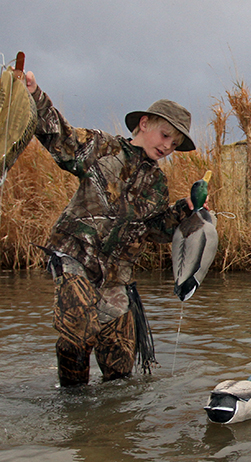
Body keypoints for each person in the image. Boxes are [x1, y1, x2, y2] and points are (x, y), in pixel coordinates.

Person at [20, 70, 201, 386]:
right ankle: (73, 407)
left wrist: (184, 209)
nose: (168, 146)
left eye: (175, 142)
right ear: (144, 124)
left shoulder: (157, 182)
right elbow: (59, 137)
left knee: (120, 363)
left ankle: (110, 425)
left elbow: (155, 229)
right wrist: (34, 94)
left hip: (116, 276)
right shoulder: (102, 147)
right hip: (75, 257)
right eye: (165, 135)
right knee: (78, 331)